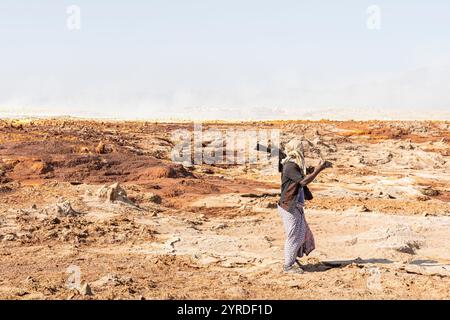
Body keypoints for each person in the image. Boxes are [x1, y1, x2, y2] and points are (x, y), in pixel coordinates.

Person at [278, 138, 332, 274]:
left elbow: (302, 179)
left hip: (294, 205)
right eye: (301, 149)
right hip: (289, 205)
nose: (303, 152)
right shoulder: (290, 166)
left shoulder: (293, 165)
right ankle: (288, 266)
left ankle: (291, 259)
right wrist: (320, 169)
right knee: (294, 236)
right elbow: (303, 181)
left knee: (300, 235)